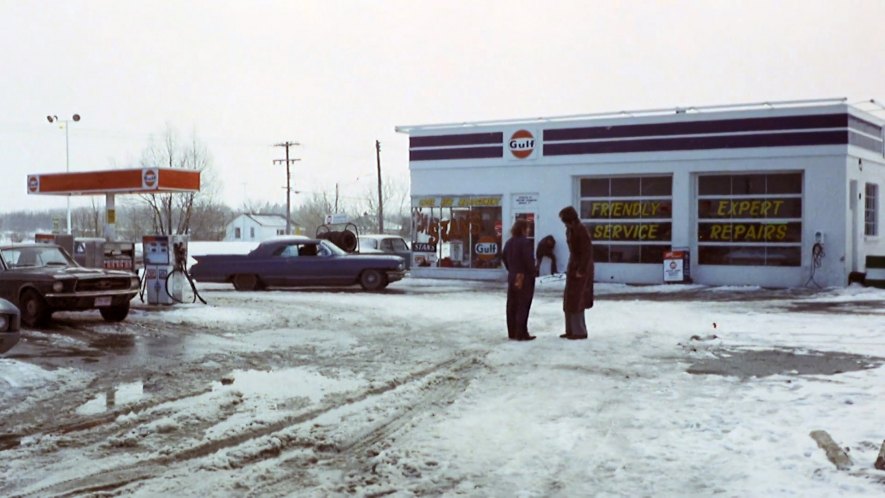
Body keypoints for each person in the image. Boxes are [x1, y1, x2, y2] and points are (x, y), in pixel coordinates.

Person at [558, 206, 594, 340]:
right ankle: (570, 330)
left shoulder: (581, 230)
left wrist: (581, 270)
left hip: (580, 268)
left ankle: (579, 331)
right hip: (573, 265)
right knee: (569, 299)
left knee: (578, 299)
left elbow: (586, 252)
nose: (565, 224)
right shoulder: (571, 229)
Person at [502, 219, 536, 341]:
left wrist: (511, 269)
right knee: (523, 304)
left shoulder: (509, 242)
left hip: (512, 275)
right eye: (527, 228)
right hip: (524, 277)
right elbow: (529, 261)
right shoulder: (525, 243)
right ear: (523, 229)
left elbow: (504, 257)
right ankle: (521, 332)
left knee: (512, 304)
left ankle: (512, 332)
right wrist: (533, 271)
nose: (529, 230)